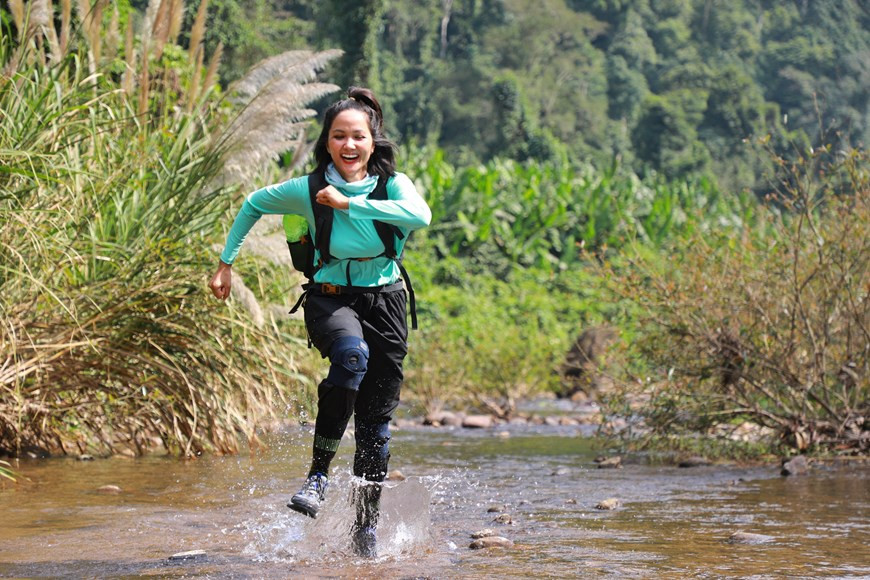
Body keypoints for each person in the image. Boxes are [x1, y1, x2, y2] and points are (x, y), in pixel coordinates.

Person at [208, 87, 431, 556]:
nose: (349, 145)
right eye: (338, 136)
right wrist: (226, 263)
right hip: (331, 299)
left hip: (387, 303)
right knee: (351, 359)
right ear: (326, 143)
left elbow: (420, 215)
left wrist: (351, 204)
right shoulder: (306, 191)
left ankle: (365, 531)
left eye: (358, 137)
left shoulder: (393, 185)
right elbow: (252, 204)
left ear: (373, 141)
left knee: (376, 428)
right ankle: (316, 478)